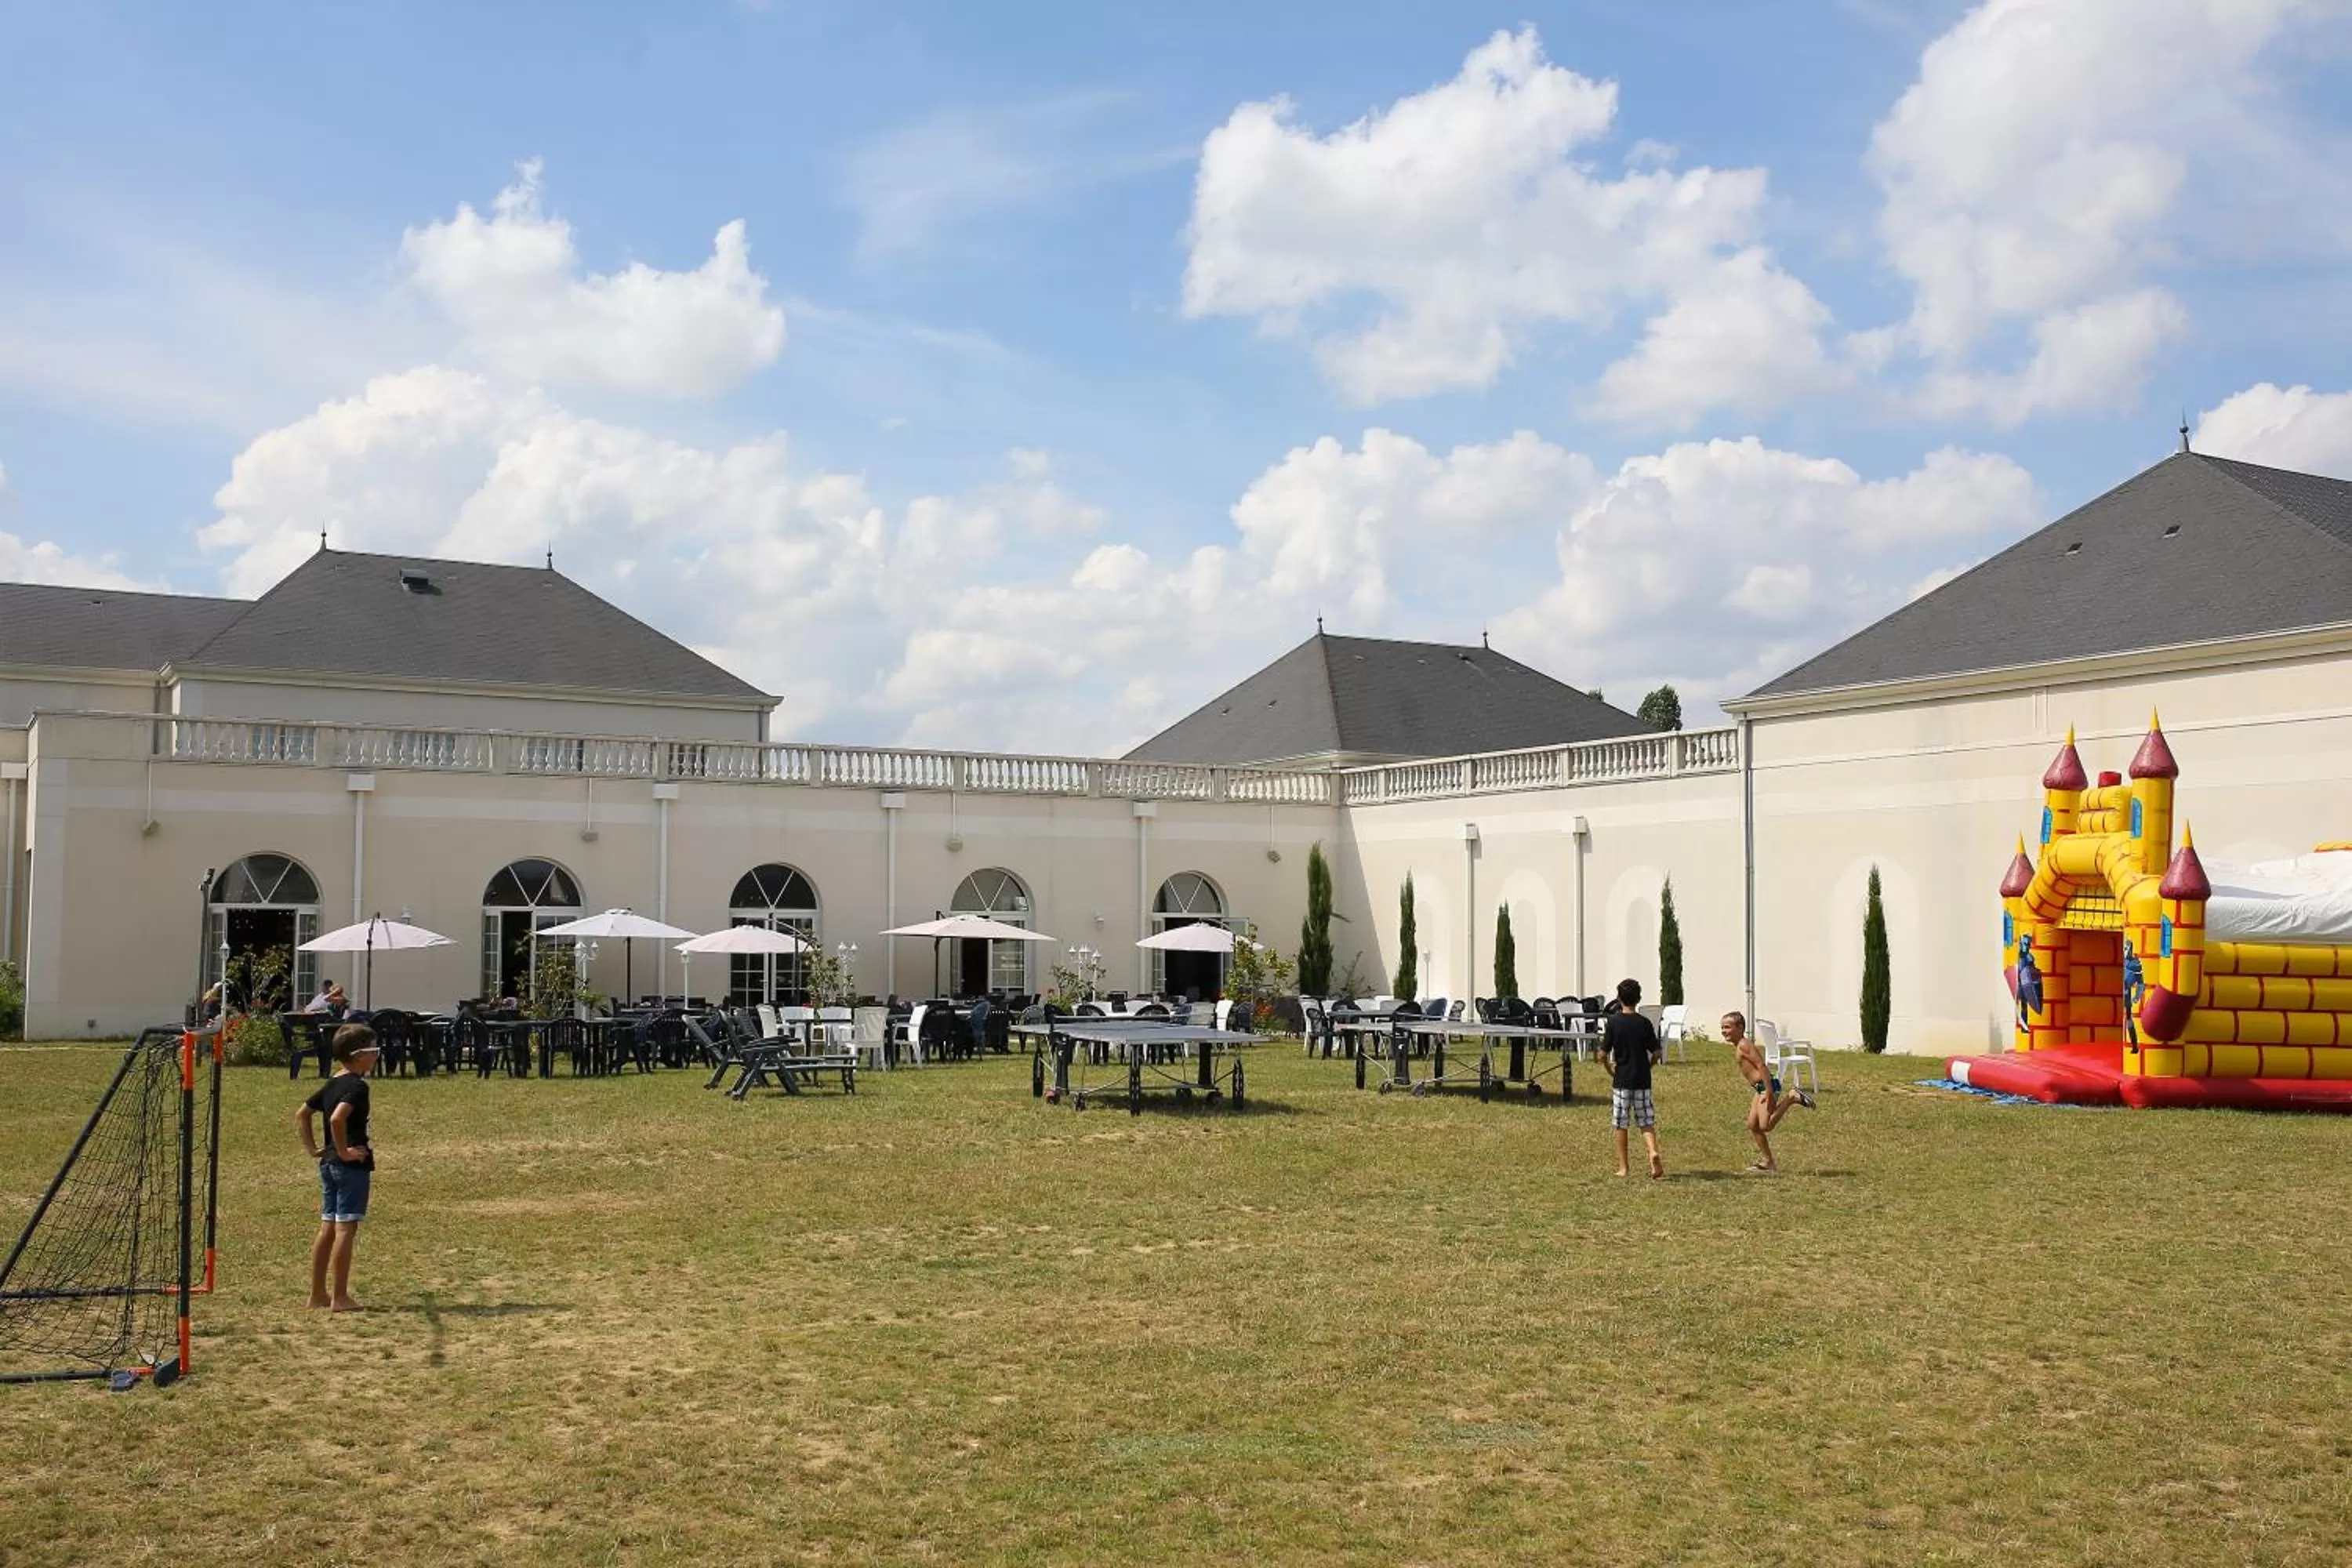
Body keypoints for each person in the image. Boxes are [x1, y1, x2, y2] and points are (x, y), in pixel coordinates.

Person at [297, 1023, 380, 1312]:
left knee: (328, 1227)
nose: (377, 1057)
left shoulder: (333, 1082)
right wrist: (345, 1151)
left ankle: (317, 1294)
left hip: (328, 1165)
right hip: (349, 1167)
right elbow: (337, 1119)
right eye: (374, 1051)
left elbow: (302, 1114)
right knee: (346, 1229)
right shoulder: (357, 1086)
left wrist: (314, 1150)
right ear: (358, 1056)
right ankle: (340, 1297)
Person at [1726, 1010, 1811, 1174]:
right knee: (1753, 1125)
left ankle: (1792, 1097)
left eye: (1728, 1027)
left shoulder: (1744, 1044)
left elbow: (1762, 1066)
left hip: (1767, 1087)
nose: (1724, 1031)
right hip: (1760, 1089)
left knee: (1765, 1126)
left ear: (1740, 1027)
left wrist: (1770, 1093)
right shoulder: (1740, 1045)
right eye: (1722, 1028)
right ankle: (1768, 1162)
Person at [1599, 977, 1664, 1178]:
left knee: (1621, 1123)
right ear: (1639, 999)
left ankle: (1624, 1167)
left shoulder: (1614, 1022)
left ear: (1619, 999)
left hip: (1622, 1081)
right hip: (1643, 1079)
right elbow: (1657, 1052)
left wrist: (1610, 1070)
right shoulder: (1644, 1023)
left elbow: (1602, 1054)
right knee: (1646, 1121)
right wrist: (1650, 1067)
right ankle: (1652, 1151)